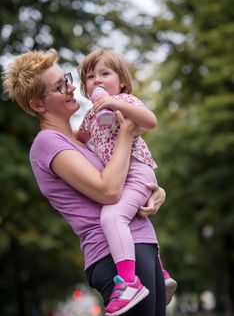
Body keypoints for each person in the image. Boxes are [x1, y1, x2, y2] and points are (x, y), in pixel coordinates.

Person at [2, 48, 167, 316]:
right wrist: (126, 131)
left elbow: (125, 177)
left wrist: (156, 191)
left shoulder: (86, 143)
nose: (70, 88)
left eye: (66, 79)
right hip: (112, 257)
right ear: (38, 105)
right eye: (59, 87)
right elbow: (109, 191)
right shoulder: (47, 143)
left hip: (143, 245)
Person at [77, 49, 177, 313]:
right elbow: (79, 138)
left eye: (104, 73)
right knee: (134, 221)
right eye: (90, 77)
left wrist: (118, 104)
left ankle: (128, 281)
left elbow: (151, 121)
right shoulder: (90, 114)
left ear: (121, 81)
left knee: (112, 217)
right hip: (120, 174)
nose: (97, 80)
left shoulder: (125, 100)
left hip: (137, 171)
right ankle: (160, 272)